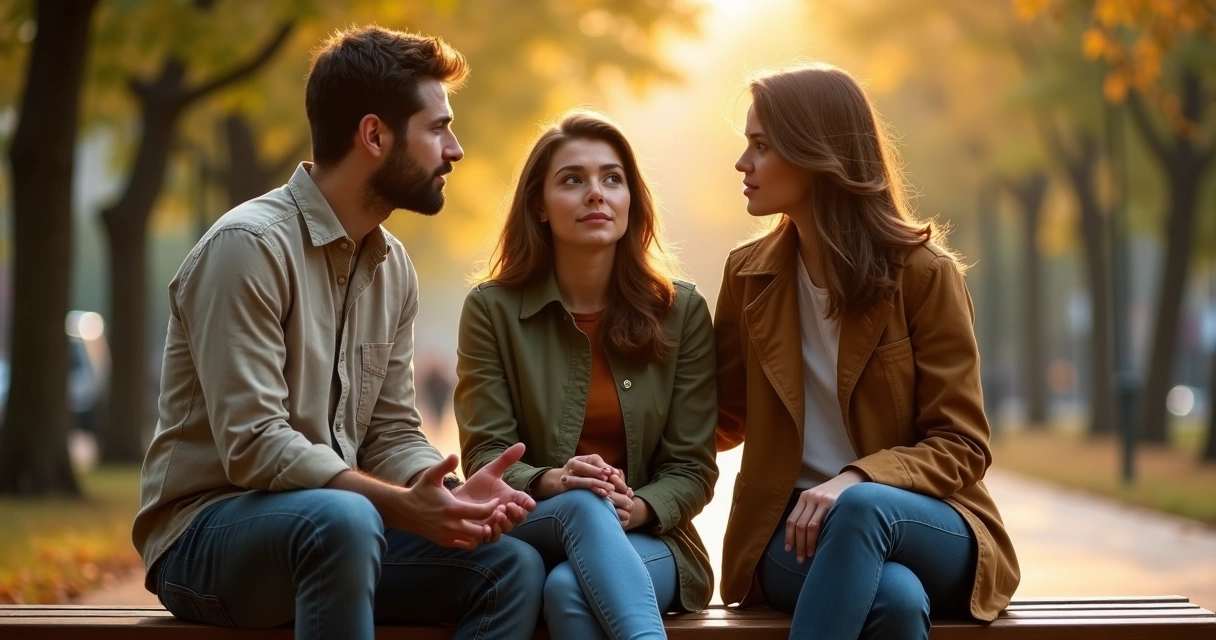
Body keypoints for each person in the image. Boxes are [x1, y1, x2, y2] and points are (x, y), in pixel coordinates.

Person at [131, 26, 545, 640]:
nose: (454, 149)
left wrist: (441, 493)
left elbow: (392, 431)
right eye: (437, 127)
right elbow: (253, 443)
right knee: (345, 520)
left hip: (340, 527)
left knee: (511, 565)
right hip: (205, 536)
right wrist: (397, 506)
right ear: (375, 135)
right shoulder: (248, 248)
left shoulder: (392, 267)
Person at [714, 63, 1020, 639]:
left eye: (760, 146)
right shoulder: (748, 275)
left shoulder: (925, 275)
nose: (742, 164)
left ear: (814, 153)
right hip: (792, 532)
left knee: (860, 510)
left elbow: (962, 444)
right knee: (897, 603)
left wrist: (857, 478)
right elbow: (719, 417)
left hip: (928, 520)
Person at [455, 111, 719, 639]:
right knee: (579, 505)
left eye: (612, 179)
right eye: (572, 179)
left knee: (568, 591)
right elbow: (486, 455)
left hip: (650, 537)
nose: (596, 193)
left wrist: (638, 506)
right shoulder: (492, 310)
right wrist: (553, 479)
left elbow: (692, 468)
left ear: (630, 202)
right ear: (539, 206)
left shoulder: (681, 310)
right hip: (535, 522)